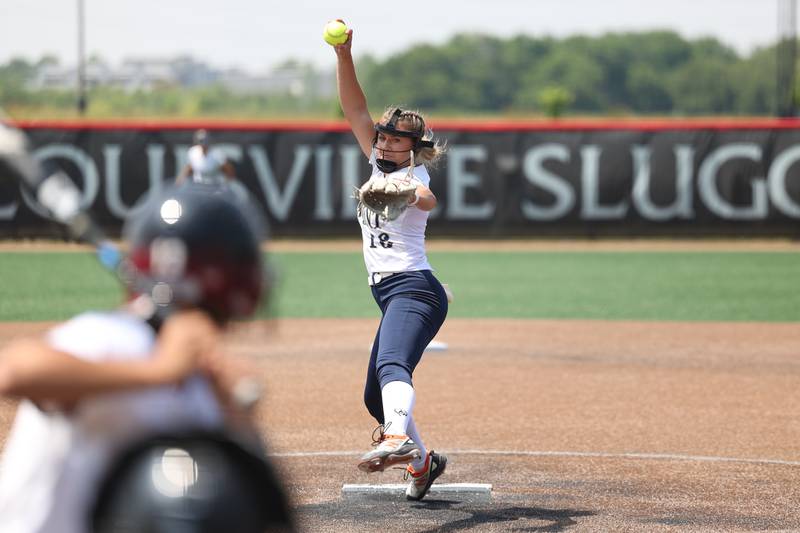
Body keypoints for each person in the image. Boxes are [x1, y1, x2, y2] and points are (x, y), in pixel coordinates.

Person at [0, 182, 292, 532]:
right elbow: (14, 371)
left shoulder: (201, 381)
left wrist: (236, 414)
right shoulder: (118, 337)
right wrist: (159, 371)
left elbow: (257, 500)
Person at [332, 25, 449, 501]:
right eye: (381, 138)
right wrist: (344, 56)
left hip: (415, 289)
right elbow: (355, 108)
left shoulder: (411, 176)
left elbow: (428, 199)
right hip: (387, 291)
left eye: (393, 141)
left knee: (392, 364)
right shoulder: (378, 162)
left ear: (413, 148)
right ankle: (422, 465)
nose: (382, 145)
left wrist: (405, 187)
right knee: (371, 396)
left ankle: (398, 437)